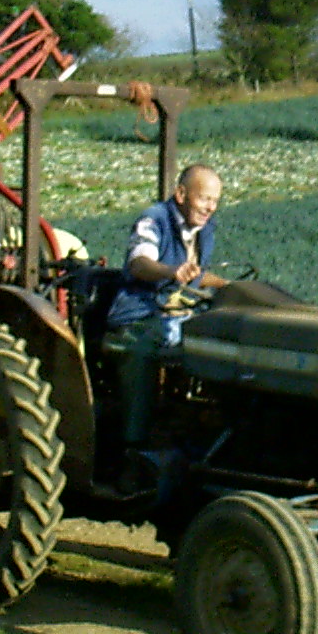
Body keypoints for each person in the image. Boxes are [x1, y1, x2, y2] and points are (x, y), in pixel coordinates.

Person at [104, 164, 227, 476]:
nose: (210, 207)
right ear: (181, 194)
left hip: (178, 314)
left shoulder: (204, 230)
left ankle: (204, 434)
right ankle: (134, 447)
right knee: (145, 347)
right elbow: (140, 263)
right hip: (138, 315)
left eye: (215, 201)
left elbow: (196, 275)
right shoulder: (154, 219)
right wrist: (170, 271)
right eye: (204, 199)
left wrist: (227, 287)